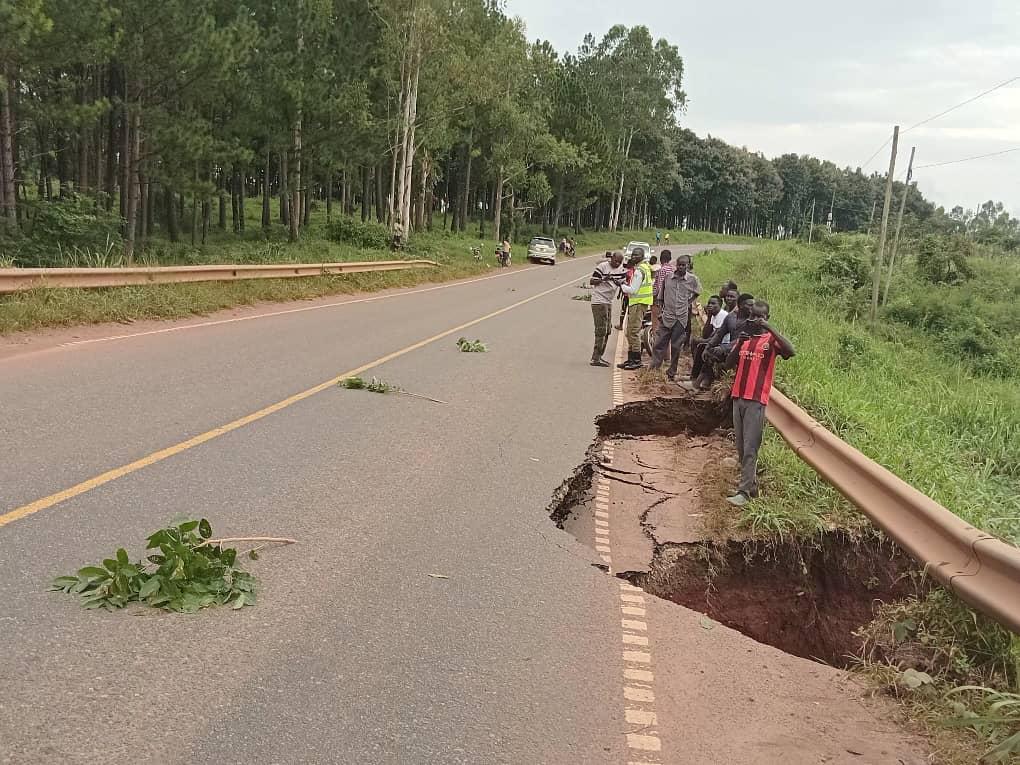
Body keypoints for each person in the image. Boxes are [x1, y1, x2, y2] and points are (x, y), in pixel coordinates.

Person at [724, 300, 795, 507]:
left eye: (759, 316)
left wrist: (769, 328)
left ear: (766, 317)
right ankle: (751, 485)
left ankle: (744, 492)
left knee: (750, 447)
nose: (754, 319)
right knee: (741, 445)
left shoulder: (770, 341)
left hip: (756, 400)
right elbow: (728, 364)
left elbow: (791, 351)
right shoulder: (744, 339)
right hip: (738, 398)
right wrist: (738, 346)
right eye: (752, 315)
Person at [649, 252, 701, 380]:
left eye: (684, 265)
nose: (682, 267)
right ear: (676, 265)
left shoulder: (692, 279)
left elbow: (697, 292)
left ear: (688, 266)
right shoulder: (668, 278)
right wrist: (661, 311)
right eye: (680, 265)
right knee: (659, 343)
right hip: (667, 316)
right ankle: (654, 368)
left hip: (681, 318)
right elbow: (661, 296)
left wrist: (688, 302)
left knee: (676, 346)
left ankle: (672, 371)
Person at [617, 248, 653, 370]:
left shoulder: (639, 271)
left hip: (638, 303)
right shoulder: (645, 267)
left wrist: (621, 285)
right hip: (639, 303)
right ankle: (631, 358)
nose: (634, 257)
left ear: (642, 256)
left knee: (633, 332)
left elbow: (633, 290)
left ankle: (636, 359)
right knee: (629, 331)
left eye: (637, 255)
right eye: (633, 254)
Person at [589, 251, 626, 367]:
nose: (617, 264)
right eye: (616, 261)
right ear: (611, 258)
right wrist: (604, 279)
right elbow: (592, 281)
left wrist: (619, 283)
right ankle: (595, 358)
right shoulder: (602, 266)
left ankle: (600, 356)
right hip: (599, 301)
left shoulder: (621, 269)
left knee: (607, 330)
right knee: (601, 330)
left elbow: (623, 282)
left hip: (609, 301)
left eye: (620, 262)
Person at [690, 295, 728, 381]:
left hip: (723, 344)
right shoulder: (714, 315)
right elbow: (706, 333)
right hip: (716, 341)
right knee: (695, 342)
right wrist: (709, 317)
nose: (710, 305)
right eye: (709, 303)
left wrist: (703, 341)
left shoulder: (722, 315)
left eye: (713, 303)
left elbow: (718, 336)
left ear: (720, 305)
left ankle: (697, 376)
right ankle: (696, 373)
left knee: (701, 346)